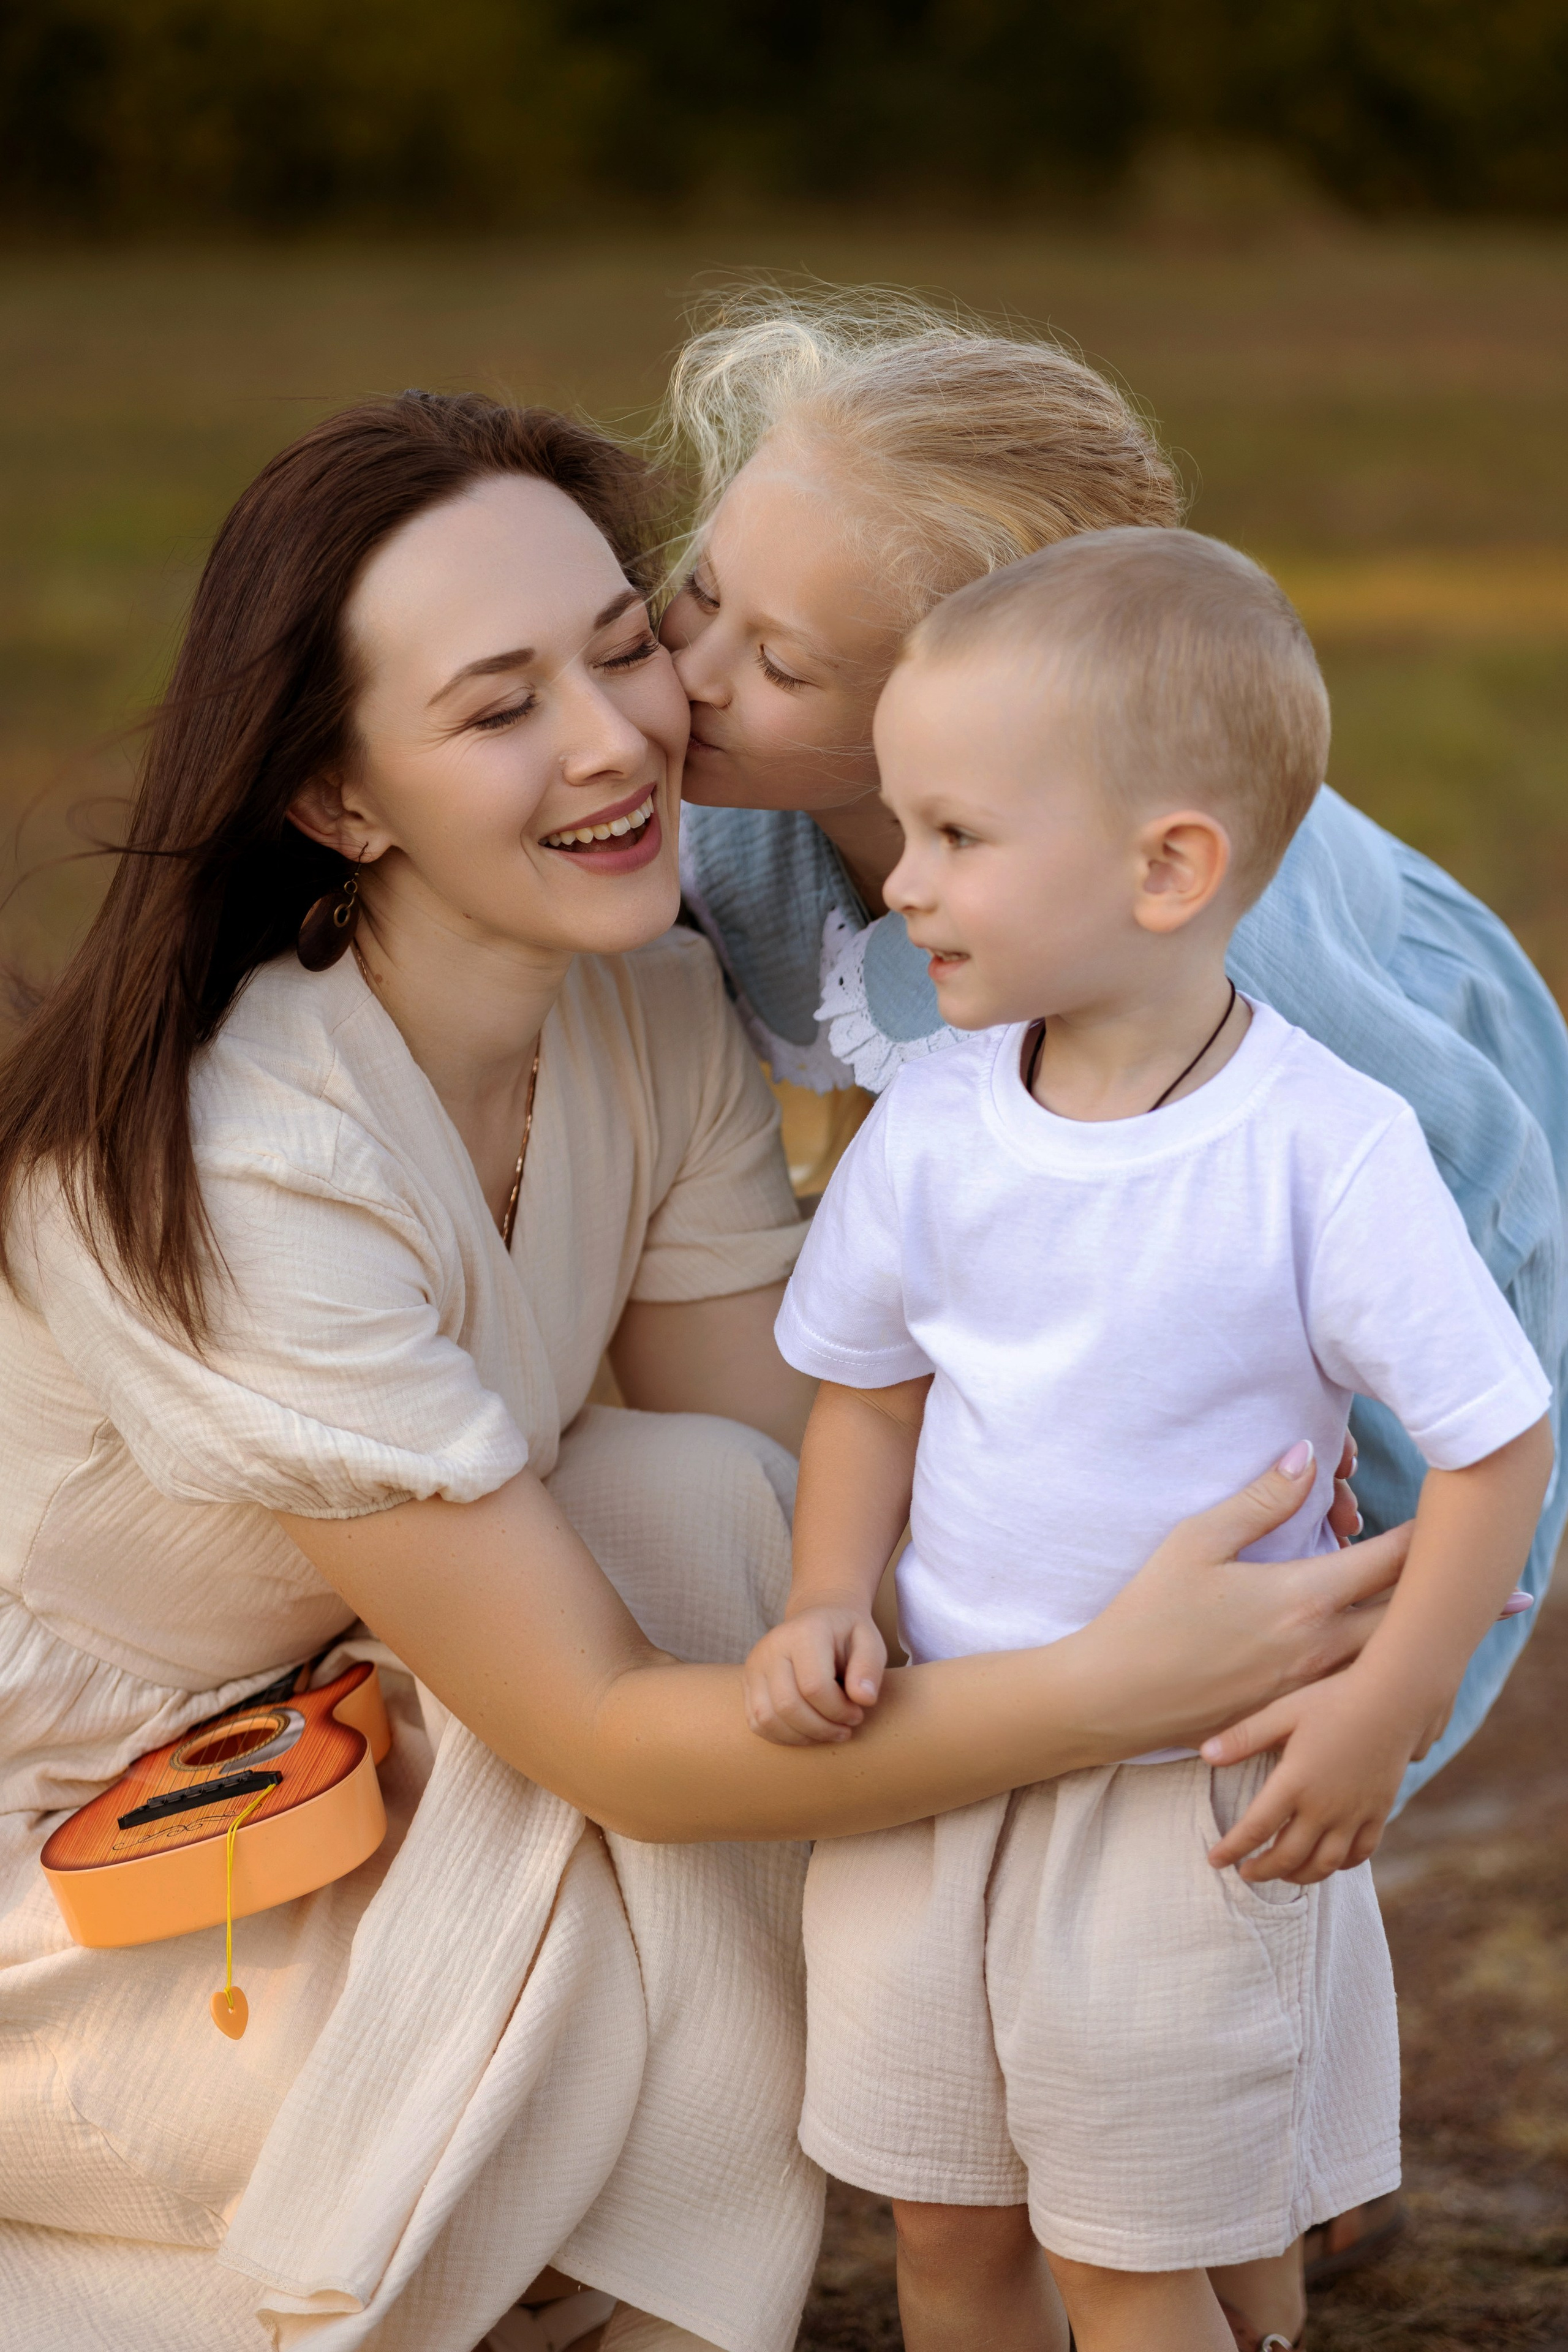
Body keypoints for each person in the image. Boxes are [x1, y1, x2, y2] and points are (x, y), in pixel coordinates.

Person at [0, 393, 1402, 2352]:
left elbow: (789, 1472)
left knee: (711, 1513)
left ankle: (1152, 2116)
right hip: (106, 1854)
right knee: (678, 1680)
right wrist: (1109, 1690)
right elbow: (588, 1727)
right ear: (341, 799)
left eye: (621, 642)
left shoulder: (646, 1001)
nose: (619, 736)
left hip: (363, 1725)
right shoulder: (256, 1162)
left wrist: (1181, 1564)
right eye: (500, 709)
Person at [744, 529, 1553, 2352]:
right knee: (947, 2234)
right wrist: (822, 1597)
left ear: (1169, 866)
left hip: (1186, 1804)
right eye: (902, 827)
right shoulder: (938, 1117)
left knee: (1155, 2246)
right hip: (935, 1761)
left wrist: (1382, 1705)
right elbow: (870, 1390)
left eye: (954, 838)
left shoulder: (1319, 1150)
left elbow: (1498, 1445)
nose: (908, 887)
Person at [666, 290, 1568, 1828]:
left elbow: (1476, 1259)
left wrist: (1388, 1677)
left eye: (781, 666)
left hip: (1415, 1207)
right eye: (694, 596)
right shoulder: (726, 823)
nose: (691, 673)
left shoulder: (1221, 972)